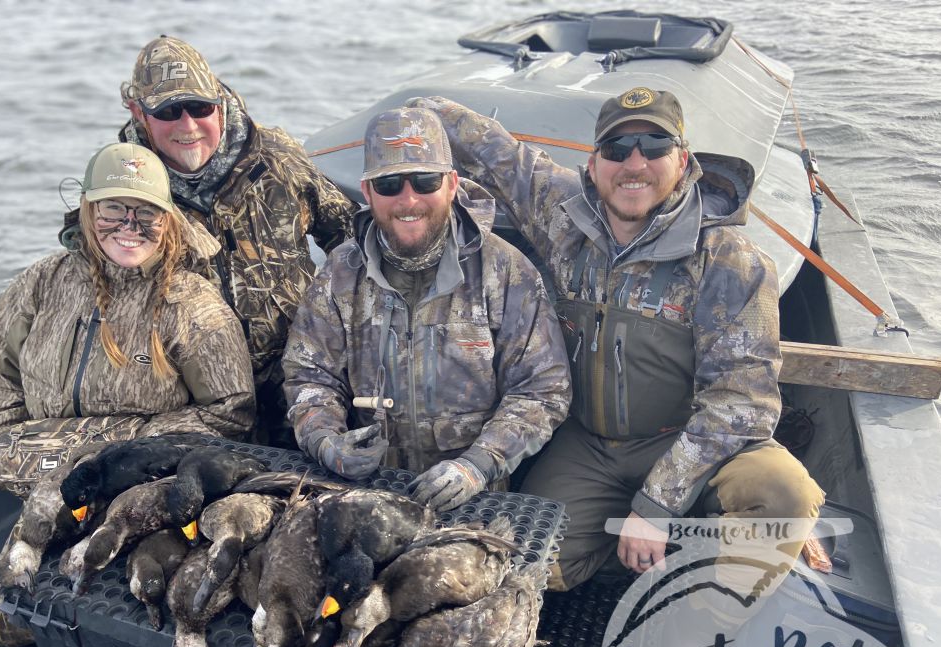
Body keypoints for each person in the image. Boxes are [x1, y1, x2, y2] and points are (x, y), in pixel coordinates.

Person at [409, 88, 825, 588]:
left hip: (689, 440)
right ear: (592, 164)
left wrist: (655, 505)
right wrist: (424, 111)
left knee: (783, 497)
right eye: (617, 149)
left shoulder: (730, 260)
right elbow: (502, 155)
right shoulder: (561, 212)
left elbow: (741, 406)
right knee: (520, 567)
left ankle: (702, 616)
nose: (635, 163)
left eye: (654, 146)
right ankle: (636, 551)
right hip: (588, 445)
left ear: (684, 160)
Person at [0, 142, 255, 646]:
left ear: (167, 217)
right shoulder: (40, 283)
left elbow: (231, 416)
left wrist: (113, 452)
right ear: (87, 208)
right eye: (113, 208)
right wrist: (7, 443)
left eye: (146, 211)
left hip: (145, 488)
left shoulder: (191, 303)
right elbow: (1, 372)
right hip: (50, 484)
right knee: (6, 623)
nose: (130, 224)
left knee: (129, 619)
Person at [282, 108, 570, 513]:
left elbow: (543, 390)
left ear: (452, 184)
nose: (408, 199)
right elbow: (309, 376)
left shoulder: (505, 271)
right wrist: (326, 441)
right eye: (388, 184)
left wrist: (478, 465)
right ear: (367, 192)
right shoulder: (339, 275)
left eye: (425, 180)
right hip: (370, 489)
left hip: (473, 498)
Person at [119, 35, 356, 446]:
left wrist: (339, 330)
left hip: (298, 379)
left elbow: (346, 236)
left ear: (220, 102)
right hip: (195, 399)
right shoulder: (122, 187)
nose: (188, 126)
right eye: (168, 111)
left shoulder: (276, 157)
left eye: (199, 107)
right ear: (138, 112)